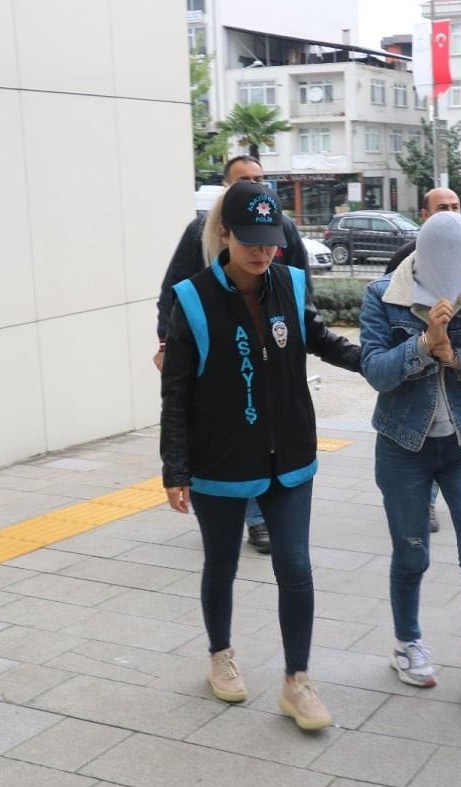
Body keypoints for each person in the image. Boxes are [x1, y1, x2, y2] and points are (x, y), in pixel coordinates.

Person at [160, 181, 360, 730]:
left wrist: (379, 362)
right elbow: (176, 391)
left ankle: (298, 680)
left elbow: (322, 340)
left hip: (289, 454)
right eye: (250, 240)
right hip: (219, 460)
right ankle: (220, 654)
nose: (262, 251)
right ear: (224, 234)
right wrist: (175, 467)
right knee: (221, 563)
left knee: (295, 567)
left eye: (270, 240)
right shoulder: (191, 298)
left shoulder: (290, 283)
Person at [361, 211, 461, 708]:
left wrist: (457, 354)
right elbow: (374, 370)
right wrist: (424, 344)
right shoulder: (383, 295)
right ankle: (407, 644)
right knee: (412, 553)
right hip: (402, 446)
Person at [155, 155, 307, 554]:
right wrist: (167, 344)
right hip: (220, 365)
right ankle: (252, 515)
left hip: (272, 363)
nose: (262, 251)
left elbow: (303, 301)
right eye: (243, 180)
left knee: (265, 428)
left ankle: (258, 517)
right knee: (236, 430)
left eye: (259, 178)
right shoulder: (198, 235)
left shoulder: (284, 231)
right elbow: (173, 292)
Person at [384, 187, 461, 534]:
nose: (450, 213)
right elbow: (391, 307)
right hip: (415, 389)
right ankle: (427, 500)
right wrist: (425, 342)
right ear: (424, 216)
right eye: (441, 208)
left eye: (455, 207)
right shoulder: (405, 257)